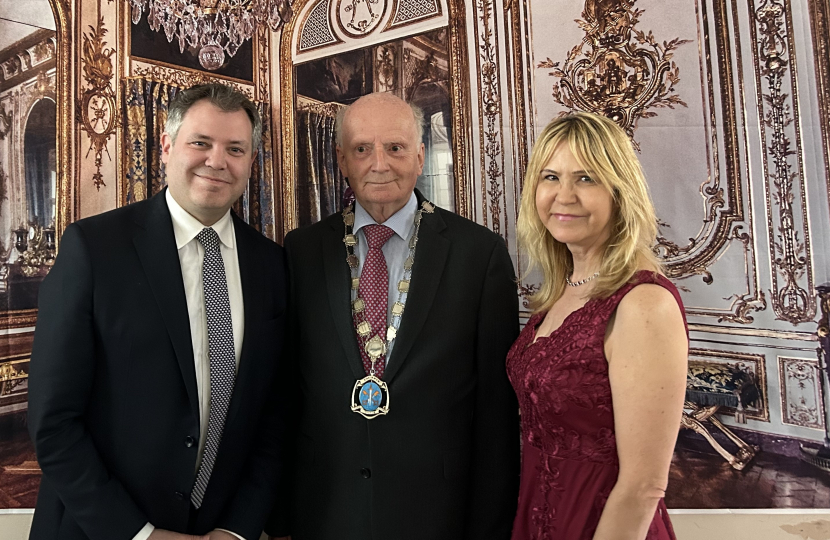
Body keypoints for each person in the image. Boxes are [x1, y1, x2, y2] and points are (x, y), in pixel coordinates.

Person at [28, 83, 288, 540]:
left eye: (235, 148)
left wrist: (239, 528)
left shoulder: (273, 265)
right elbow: (53, 424)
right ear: (166, 147)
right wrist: (140, 535)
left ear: (250, 162)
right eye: (200, 143)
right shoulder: (93, 250)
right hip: (100, 530)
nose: (217, 161)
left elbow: (273, 416)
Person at [265, 92, 520, 540]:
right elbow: (287, 391)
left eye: (395, 148)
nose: (379, 163)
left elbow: (496, 415)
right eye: (362, 149)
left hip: (438, 513)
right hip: (325, 509)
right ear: (342, 161)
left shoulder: (479, 255)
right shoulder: (302, 251)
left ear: (420, 157)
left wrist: (490, 527)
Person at [509, 112, 688, 540]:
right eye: (550, 176)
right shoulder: (560, 292)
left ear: (619, 192)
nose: (563, 195)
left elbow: (644, 486)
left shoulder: (644, 302)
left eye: (586, 178)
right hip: (538, 518)